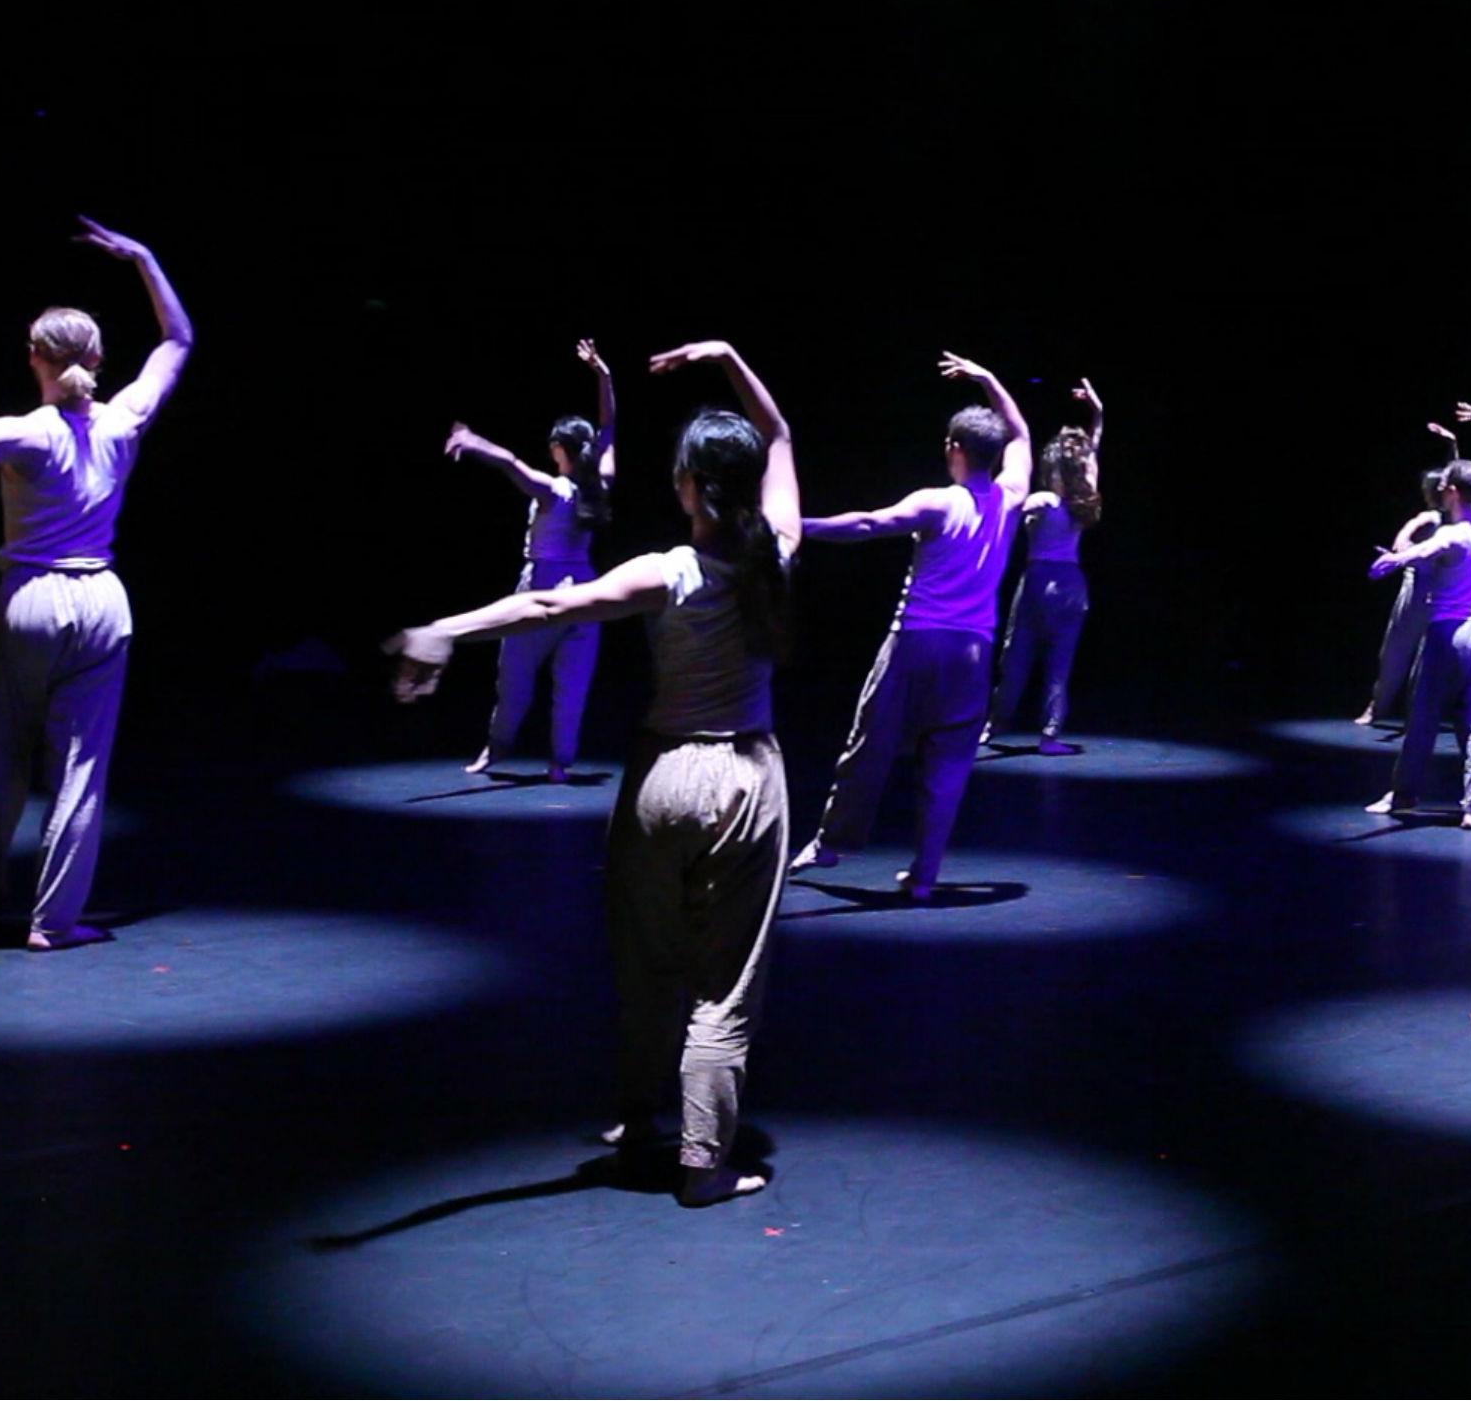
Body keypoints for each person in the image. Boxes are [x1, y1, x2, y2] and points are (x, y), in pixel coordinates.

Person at [390, 340, 796, 1207]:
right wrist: (728, 356)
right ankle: (704, 1162)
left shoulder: (668, 572)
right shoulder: (776, 554)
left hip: (659, 782)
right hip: (745, 783)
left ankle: (639, 1118)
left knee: (649, 965)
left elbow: (547, 602)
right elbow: (780, 431)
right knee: (722, 984)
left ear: (688, 486)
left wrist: (442, 631)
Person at [0, 219, 193, 950]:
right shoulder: (124, 420)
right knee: (81, 768)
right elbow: (177, 342)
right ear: (97, 357)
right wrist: (143, 257)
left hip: (30, 601)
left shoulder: (22, 432)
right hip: (102, 601)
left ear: (33, 356)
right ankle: (52, 921)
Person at [790, 352, 1032, 896]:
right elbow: (1020, 434)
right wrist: (991, 379)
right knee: (948, 762)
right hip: (972, 653)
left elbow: (868, 524)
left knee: (870, 743)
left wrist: (796, 526)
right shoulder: (1010, 499)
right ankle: (924, 876)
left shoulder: (939, 502)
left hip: (916, 644)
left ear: (954, 449)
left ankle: (831, 844)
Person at [445, 338, 617, 781]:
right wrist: (604, 376)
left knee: (515, 680)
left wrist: (470, 439)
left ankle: (497, 750)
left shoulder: (553, 488)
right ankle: (560, 762)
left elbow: (509, 461)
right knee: (571, 685)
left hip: (541, 587)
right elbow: (609, 426)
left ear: (562, 449)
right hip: (586, 589)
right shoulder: (602, 481)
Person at [1365, 402, 1471, 828]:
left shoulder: (1453, 532)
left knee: (1423, 716)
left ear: (1453, 493)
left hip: (1449, 633)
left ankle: (1403, 796)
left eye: (1444, 484)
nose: (1440, 488)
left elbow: (1428, 549)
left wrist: (1393, 560)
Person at [984, 377, 1104, 754]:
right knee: (1059, 664)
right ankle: (1050, 736)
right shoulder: (1083, 501)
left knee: (1016, 658)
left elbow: (1001, 506)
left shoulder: (1044, 501)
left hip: (1039, 582)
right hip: (1072, 586)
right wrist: (1097, 413)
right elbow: (1092, 455)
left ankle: (992, 725)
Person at [1356, 422, 1459, 727]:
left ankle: (1420, 712)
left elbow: (1459, 474)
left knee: (1431, 659)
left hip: (1442, 597)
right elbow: (1402, 541)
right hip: (1416, 593)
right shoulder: (1428, 517)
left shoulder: (1457, 517)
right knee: (1396, 653)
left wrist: (1453, 443)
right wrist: (1409, 557)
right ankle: (1377, 707)